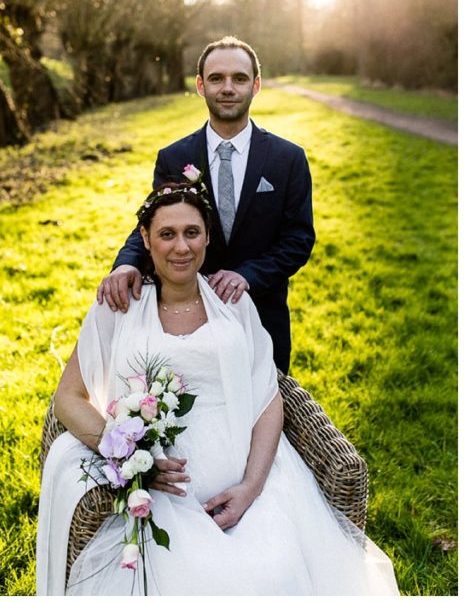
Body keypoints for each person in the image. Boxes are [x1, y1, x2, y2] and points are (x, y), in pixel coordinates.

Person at [36, 182, 398, 595]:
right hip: (159, 486)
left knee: (274, 574)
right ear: (145, 239)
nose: (181, 247)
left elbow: (267, 398)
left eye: (191, 232)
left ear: (207, 235)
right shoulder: (119, 305)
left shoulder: (235, 304)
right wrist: (131, 457)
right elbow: (68, 398)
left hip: (248, 475)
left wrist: (250, 488)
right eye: (167, 234)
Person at [97, 36, 313, 373]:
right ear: (200, 85)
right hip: (185, 318)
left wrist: (247, 275)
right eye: (216, 78)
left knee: (261, 415)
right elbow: (158, 226)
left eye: (239, 78)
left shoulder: (288, 159)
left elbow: (298, 240)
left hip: (261, 315)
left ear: (256, 85)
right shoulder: (174, 157)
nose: (228, 88)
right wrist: (127, 264)